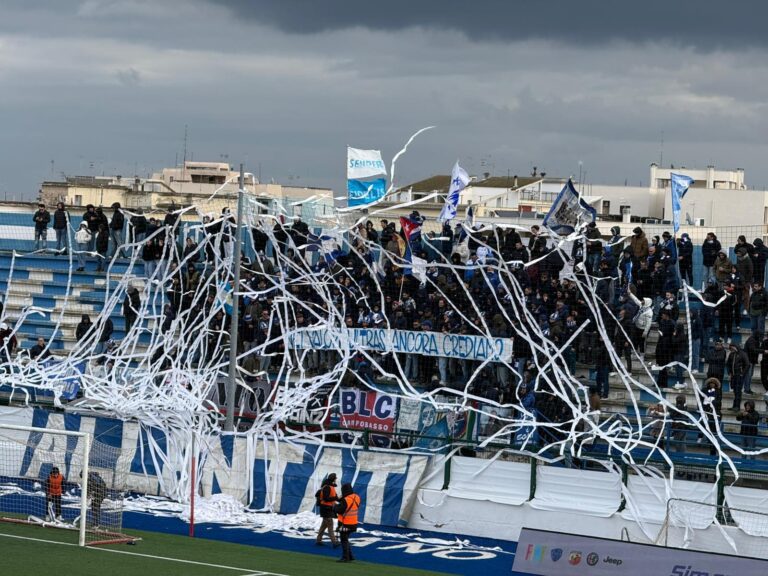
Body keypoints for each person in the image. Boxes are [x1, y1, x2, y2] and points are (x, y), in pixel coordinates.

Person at [334, 482, 360, 563]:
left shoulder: (345, 500)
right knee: (346, 539)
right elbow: (349, 504)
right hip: (354, 523)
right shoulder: (357, 497)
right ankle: (350, 556)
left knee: (344, 540)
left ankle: (345, 557)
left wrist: (335, 506)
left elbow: (340, 510)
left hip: (345, 524)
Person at [315, 473, 340, 547]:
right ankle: (334, 542)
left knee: (324, 526)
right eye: (335, 478)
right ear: (333, 479)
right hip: (326, 509)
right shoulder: (328, 487)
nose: (336, 480)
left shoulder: (327, 486)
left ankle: (318, 540)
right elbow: (326, 499)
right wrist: (335, 498)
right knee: (330, 525)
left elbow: (318, 495)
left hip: (326, 508)